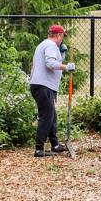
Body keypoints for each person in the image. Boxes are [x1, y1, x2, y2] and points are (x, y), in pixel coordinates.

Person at [28, 24, 74, 158]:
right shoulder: (50, 45)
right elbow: (50, 63)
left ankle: (55, 144)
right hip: (43, 86)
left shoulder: (45, 44)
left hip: (42, 85)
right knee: (46, 117)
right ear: (58, 35)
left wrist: (61, 54)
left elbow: (52, 60)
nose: (62, 40)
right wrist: (67, 67)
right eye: (62, 37)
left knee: (52, 115)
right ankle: (39, 149)